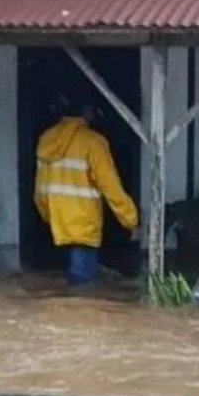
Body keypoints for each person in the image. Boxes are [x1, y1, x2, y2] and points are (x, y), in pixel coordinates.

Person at [34, 94, 139, 285]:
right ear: (88, 111)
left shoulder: (46, 139)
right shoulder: (94, 143)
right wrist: (130, 220)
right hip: (84, 227)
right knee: (82, 296)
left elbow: (40, 188)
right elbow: (111, 187)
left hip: (58, 225)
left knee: (66, 288)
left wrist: (47, 216)